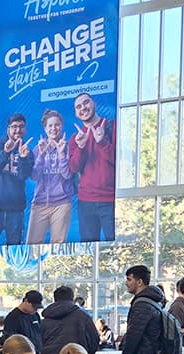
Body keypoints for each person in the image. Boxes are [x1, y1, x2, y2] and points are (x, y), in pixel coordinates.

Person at [32, 285, 99, 354]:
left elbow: (39, 344)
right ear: (72, 299)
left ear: (55, 299)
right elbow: (94, 340)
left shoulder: (45, 320)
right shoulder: (83, 317)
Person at [67, 92, 115, 242]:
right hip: (85, 202)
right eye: (78, 107)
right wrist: (81, 147)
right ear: (76, 113)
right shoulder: (76, 138)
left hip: (111, 201)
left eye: (86, 103)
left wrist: (102, 142)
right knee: (88, 251)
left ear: (94, 104)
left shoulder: (112, 127)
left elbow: (120, 163)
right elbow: (73, 168)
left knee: (115, 251)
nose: (83, 108)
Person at [26, 109, 74, 244]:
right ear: (45, 128)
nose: (54, 128)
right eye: (50, 126)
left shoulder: (68, 147)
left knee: (58, 245)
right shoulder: (37, 148)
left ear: (62, 126)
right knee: (31, 244)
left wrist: (61, 155)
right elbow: (34, 177)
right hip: (40, 203)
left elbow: (67, 174)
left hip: (62, 203)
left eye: (57, 125)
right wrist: (41, 155)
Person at [0, 113, 34, 245]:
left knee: (15, 247)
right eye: (14, 126)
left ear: (25, 129)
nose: (18, 130)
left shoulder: (27, 150)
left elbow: (24, 175)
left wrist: (23, 158)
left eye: (21, 126)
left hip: (16, 210)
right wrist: (5, 152)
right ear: (8, 129)